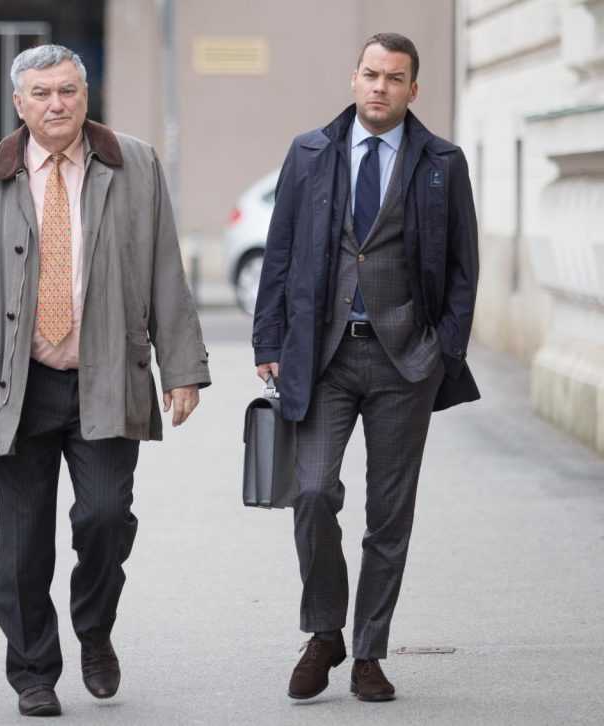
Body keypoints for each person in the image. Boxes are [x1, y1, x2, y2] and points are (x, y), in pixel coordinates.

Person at [0, 44, 210, 717]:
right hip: (17, 384)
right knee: (23, 546)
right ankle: (32, 671)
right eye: (43, 93)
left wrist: (182, 369)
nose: (57, 104)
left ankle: (95, 629)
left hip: (105, 376)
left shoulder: (134, 164)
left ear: (86, 95)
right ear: (19, 104)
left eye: (69, 91)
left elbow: (165, 268)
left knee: (105, 518)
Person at [253, 33, 479, 703]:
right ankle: (325, 632)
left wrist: (444, 352)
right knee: (312, 492)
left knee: (389, 514)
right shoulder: (309, 153)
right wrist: (268, 340)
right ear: (354, 79)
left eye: (394, 78)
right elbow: (279, 251)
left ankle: (370, 652)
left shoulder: (442, 162)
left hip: (405, 363)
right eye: (371, 74)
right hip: (323, 357)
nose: (380, 87)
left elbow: (463, 268)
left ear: (413, 89)